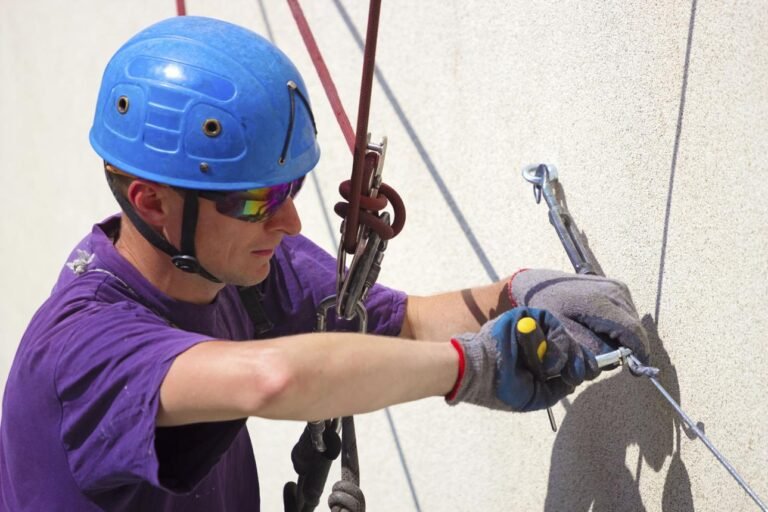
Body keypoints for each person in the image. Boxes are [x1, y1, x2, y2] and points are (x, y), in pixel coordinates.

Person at [0, 16, 649, 512]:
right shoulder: (80, 350)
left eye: (288, 191)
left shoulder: (231, 263)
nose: (290, 223)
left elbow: (401, 324)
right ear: (150, 202)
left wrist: (519, 293)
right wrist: (471, 369)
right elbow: (272, 379)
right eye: (258, 200)